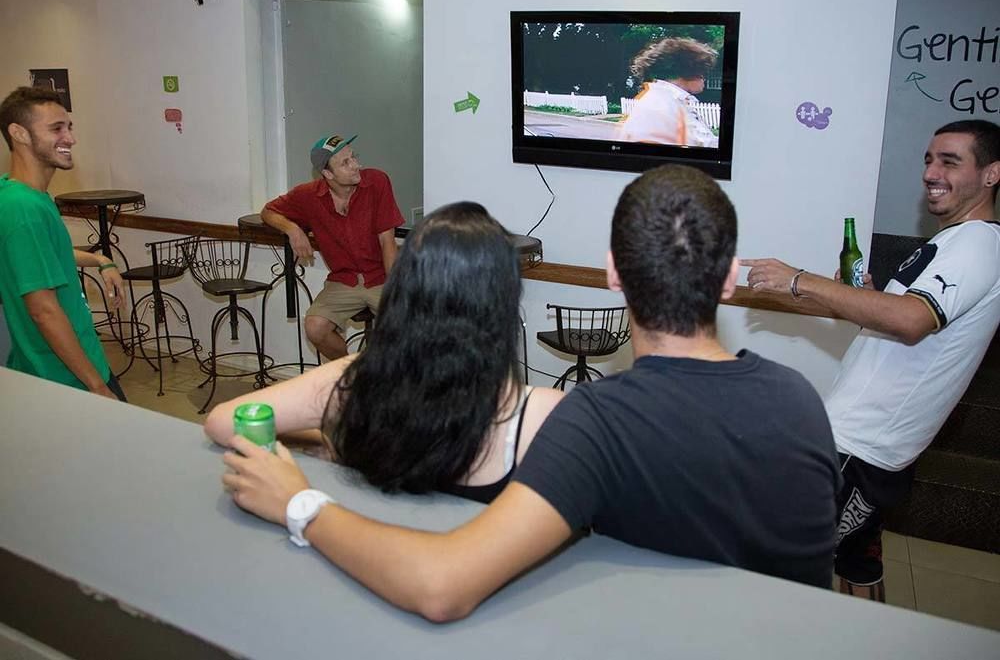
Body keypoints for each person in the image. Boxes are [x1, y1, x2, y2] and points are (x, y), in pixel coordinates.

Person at [218, 166, 840, 622]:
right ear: (731, 279)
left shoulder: (598, 421)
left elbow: (442, 585)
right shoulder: (804, 402)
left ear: (613, 274)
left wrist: (301, 505)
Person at [743, 119, 1000, 601]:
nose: (931, 172)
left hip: (859, 449)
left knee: (768, 570)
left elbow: (910, 321)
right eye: (928, 159)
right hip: (866, 444)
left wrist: (801, 279)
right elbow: (891, 318)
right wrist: (811, 292)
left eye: (950, 161)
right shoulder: (949, 243)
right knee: (857, 564)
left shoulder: (978, 244)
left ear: (991, 174)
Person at [207, 202, 563, 502]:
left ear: (404, 290)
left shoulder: (353, 378)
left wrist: (326, 437)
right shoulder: (541, 411)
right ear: (502, 302)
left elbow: (223, 423)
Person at [0, 86, 126, 401]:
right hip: (65, 378)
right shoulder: (23, 209)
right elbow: (43, 310)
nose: (70, 138)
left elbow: (45, 256)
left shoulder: (22, 195)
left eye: (69, 127)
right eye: (56, 129)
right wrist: (96, 387)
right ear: (19, 133)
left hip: (68, 365)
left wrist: (101, 261)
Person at [261, 134, 404, 360]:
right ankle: (349, 375)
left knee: (411, 326)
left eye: (353, 157)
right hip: (343, 280)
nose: (356, 165)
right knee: (314, 327)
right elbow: (268, 211)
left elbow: (388, 242)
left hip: (381, 277)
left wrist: (398, 290)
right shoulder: (307, 195)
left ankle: (399, 388)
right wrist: (292, 229)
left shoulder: (377, 181)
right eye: (345, 163)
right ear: (327, 174)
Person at [619, 37, 719, 147]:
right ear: (688, 70)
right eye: (703, 71)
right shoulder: (659, 106)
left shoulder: (668, 100)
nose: (704, 78)